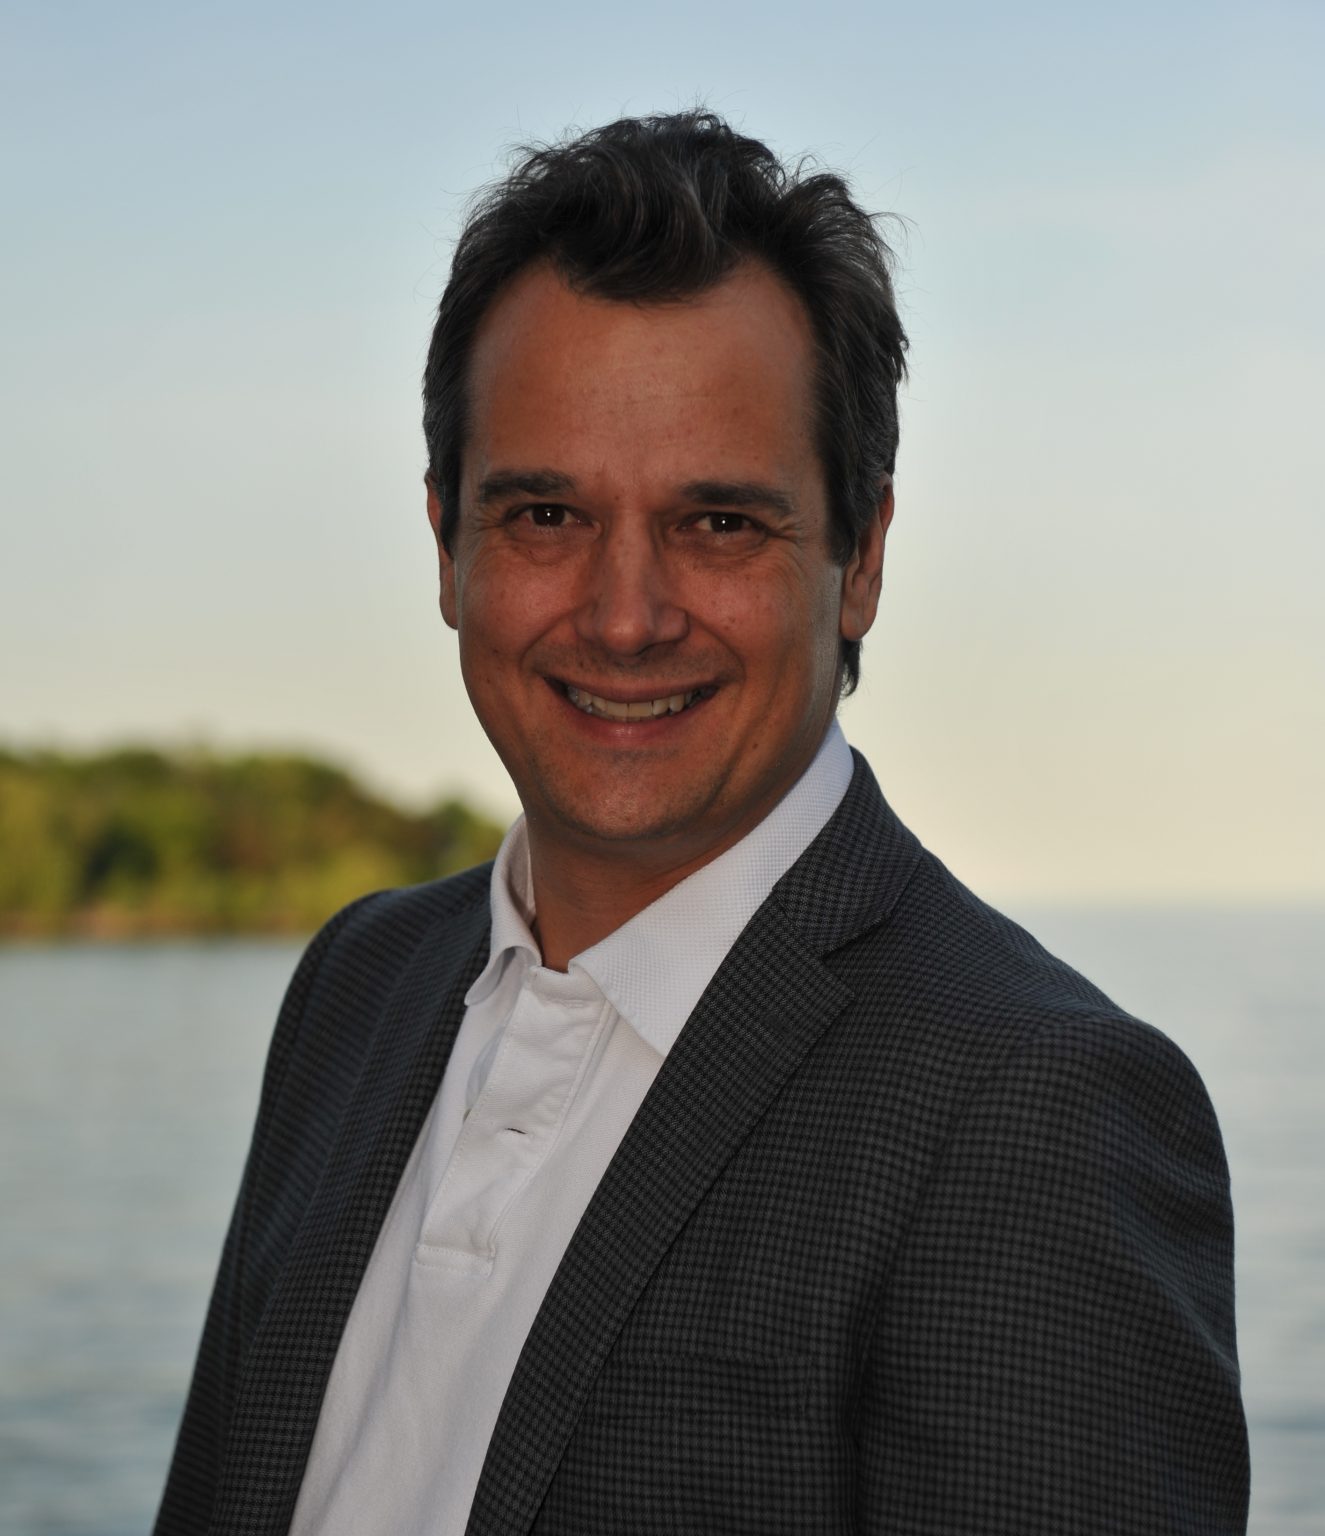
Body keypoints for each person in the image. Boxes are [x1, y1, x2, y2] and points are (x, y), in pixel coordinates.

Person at [155, 111, 1249, 1535]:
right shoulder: (356, 986)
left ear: (860, 559)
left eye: (718, 524)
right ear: (447, 546)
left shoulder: (1036, 1111)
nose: (625, 617)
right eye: (545, 515)